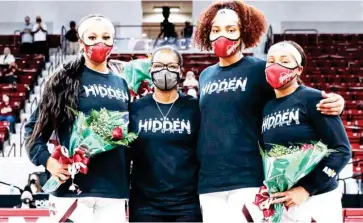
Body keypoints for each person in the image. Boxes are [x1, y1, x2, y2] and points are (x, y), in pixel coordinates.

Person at [192, 1, 346, 222]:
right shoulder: (205, 75)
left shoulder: (259, 69)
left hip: (250, 178)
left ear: (244, 31)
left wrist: (336, 101)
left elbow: (294, 95)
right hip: (209, 181)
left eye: (230, 29)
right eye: (216, 29)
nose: (222, 35)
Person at [25, 14, 130, 223]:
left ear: (113, 42)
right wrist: (48, 162)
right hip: (72, 191)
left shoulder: (122, 83)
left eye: (106, 37)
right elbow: (32, 131)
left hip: (114, 191)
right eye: (92, 37)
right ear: (81, 42)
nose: (100, 42)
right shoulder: (63, 80)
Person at [262, 41, 351, 222]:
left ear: (299, 70)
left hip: (317, 199)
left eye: (284, 61)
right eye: (270, 61)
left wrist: (306, 188)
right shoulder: (266, 107)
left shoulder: (314, 99)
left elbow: (342, 151)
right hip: (283, 201)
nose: (275, 65)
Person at [128, 46, 202, 222]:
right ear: (150, 70)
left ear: (180, 71)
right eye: (159, 65)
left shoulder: (195, 108)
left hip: (187, 204)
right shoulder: (135, 109)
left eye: (171, 66)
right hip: (145, 204)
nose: (165, 71)